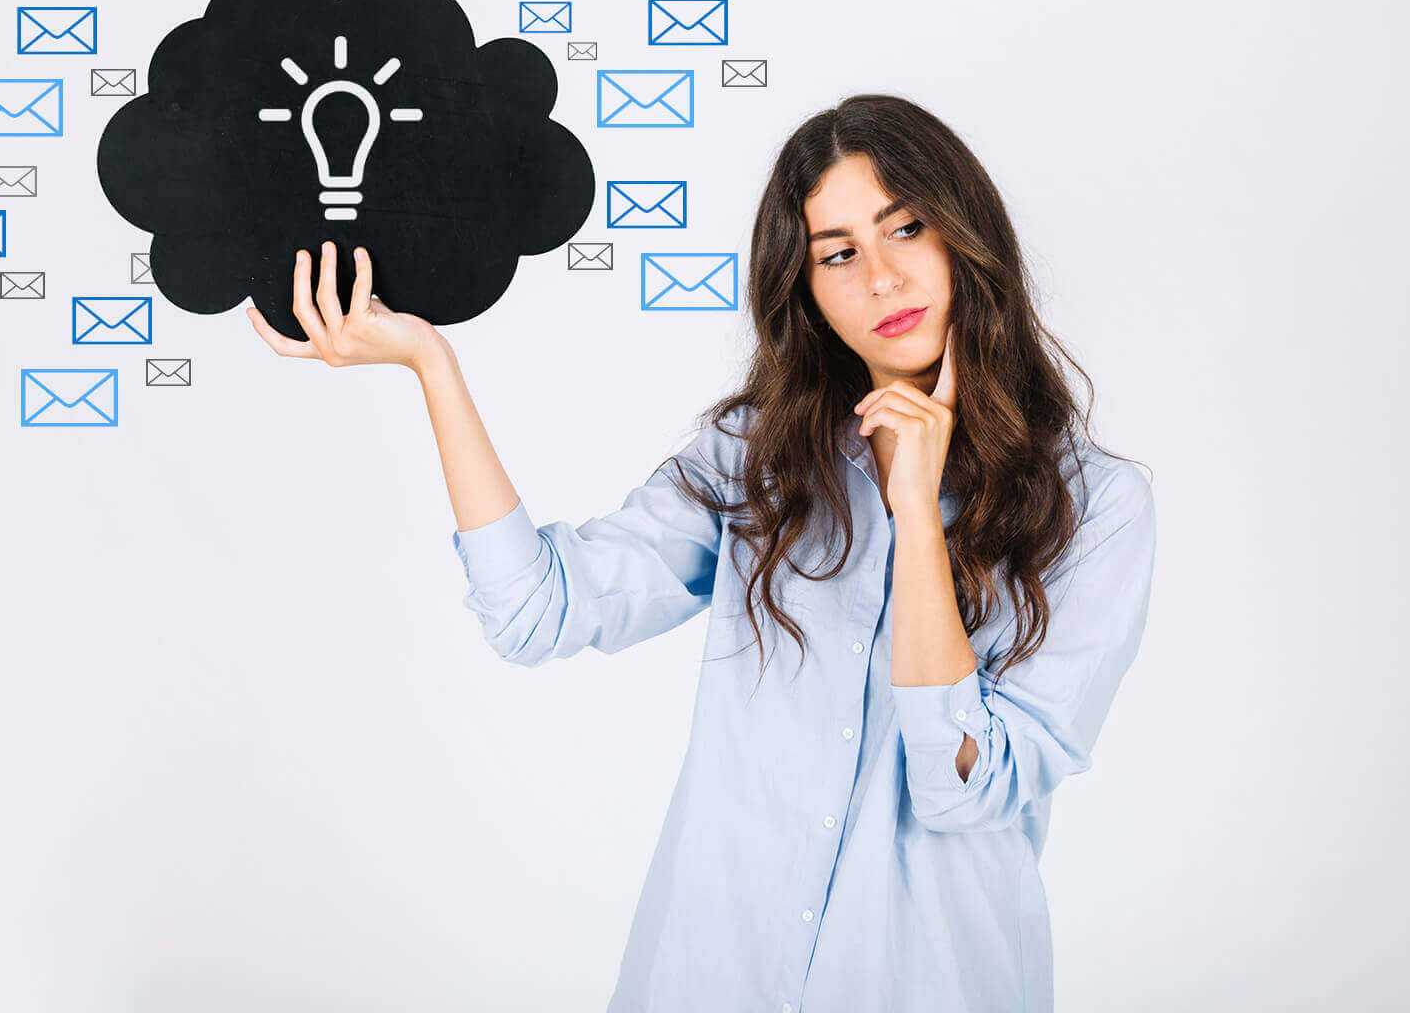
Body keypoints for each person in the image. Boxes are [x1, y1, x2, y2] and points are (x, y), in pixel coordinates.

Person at [246, 93, 1157, 1013]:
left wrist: (916, 517)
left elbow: (966, 791)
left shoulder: (1099, 509)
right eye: (837, 253)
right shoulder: (755, 460)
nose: (880, 277)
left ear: (967, 233)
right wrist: (431, 366)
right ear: (805, 290)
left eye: (906, 228)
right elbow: (536, 612)